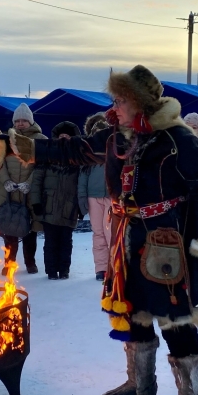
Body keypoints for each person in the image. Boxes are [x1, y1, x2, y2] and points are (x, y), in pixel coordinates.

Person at [6, 65, 198, 395]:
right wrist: (18, 146)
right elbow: (73, 150)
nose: (114, 108)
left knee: (174, 319)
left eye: (121, 100)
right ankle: (140, 387)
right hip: (126, 239)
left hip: (166, 241)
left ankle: (193, 394)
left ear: (140, 102)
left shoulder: (177, 139)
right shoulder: (116, 136)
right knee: (133, 311)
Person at [0, 102, 47, 275]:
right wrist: (5, 181)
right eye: (17, 121)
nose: (20, 124)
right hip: (8, 191)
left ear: (31, 121)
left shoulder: (40, 141)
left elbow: (42, 165)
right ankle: (9, 263)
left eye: (24, 120)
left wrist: (30, 183)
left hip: (30, 191)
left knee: (30, 229)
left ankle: (30, 263)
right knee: (9, 228)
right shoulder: (6, 140)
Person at [32, 121, 82, 280]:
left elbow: (81, 185)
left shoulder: (78, 160)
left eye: (67, 136)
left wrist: (80, 207)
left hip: (69, 208)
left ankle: (64, 270)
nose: (64, 138)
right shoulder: (46, 158)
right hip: (49, 206)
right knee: (51, 242)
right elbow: (37, 182)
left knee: (66, 242)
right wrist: (36, 202)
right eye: (61, 136)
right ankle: (51, 271)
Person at [78, 112, 112, 281]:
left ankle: (115, 267)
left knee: (111, 234)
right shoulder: (88, 151)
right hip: (93, 196)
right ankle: (101, 268)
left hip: (112, 197)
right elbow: (83, 176)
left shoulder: (115, 148)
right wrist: (82, 197)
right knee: (98, 233)